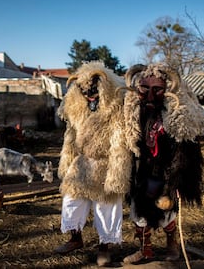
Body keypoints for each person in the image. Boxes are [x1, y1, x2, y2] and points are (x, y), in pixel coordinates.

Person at [122, 63, 204, 263]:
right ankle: (145, 250)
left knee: (166, 208)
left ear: (168, 89)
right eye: (145, 88)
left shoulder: (179, 115)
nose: (150, 95)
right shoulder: (133, 111)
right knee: (138, 209)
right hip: (142, 168)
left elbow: (188, 151)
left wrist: (177, 178)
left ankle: (172, 243)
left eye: (157, 89)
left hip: (167, 169)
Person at [53, 61, 132, 266]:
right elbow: (70, 134)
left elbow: (119, 140)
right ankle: (75, 238)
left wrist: (117, 171)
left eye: (94, 90)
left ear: (103, 87)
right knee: (71, 200)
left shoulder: (115, 107)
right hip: (81, 163)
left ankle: (104, 247)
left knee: (106, 206)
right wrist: (67, 159)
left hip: (106, 164)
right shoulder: (76, 107)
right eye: (85, 90)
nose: (90, 95)